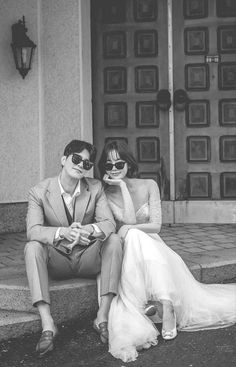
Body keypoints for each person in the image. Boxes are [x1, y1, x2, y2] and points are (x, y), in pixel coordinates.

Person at [98, 140, 236, 363]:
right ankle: (161, 303)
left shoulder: (149, 185)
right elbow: (131, 221)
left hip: (154, 247)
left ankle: (167, 304)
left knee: (133, 233)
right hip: (129, 251)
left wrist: (129, 226)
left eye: (119, 163)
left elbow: (156, 226)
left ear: (129, 162)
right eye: (109, 165)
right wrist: (121, 187)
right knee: (132, 235)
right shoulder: (105, 193)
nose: (114, 169)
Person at [24, 139, 123, 357]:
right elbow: (33, 230)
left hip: (88, 258)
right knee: (32, 247)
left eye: (87, 163)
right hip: (57, 260)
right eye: (76, 159)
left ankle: (102, 317)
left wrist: (85, 230)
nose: (81, 165)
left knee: (114, 240)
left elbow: (108, 224)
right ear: (64, 159)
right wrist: (63, 232)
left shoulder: (95, 187)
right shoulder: (39, 191)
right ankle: (48, 323)